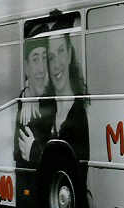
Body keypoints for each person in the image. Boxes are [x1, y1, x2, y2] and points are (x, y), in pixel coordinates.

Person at [47, 28, 89, 162]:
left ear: (70, 53)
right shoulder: (46, 110)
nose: (56, 64)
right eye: (51, 57)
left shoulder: (81, 111)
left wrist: (33, 149)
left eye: (61, 51)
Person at [15, 29, 55, 167]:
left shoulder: (56, 99)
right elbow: (21, 155)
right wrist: (27, 95)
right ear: (26, 67)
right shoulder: (25, 107)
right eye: (35, 59)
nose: (41, 68)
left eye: (45, 58)